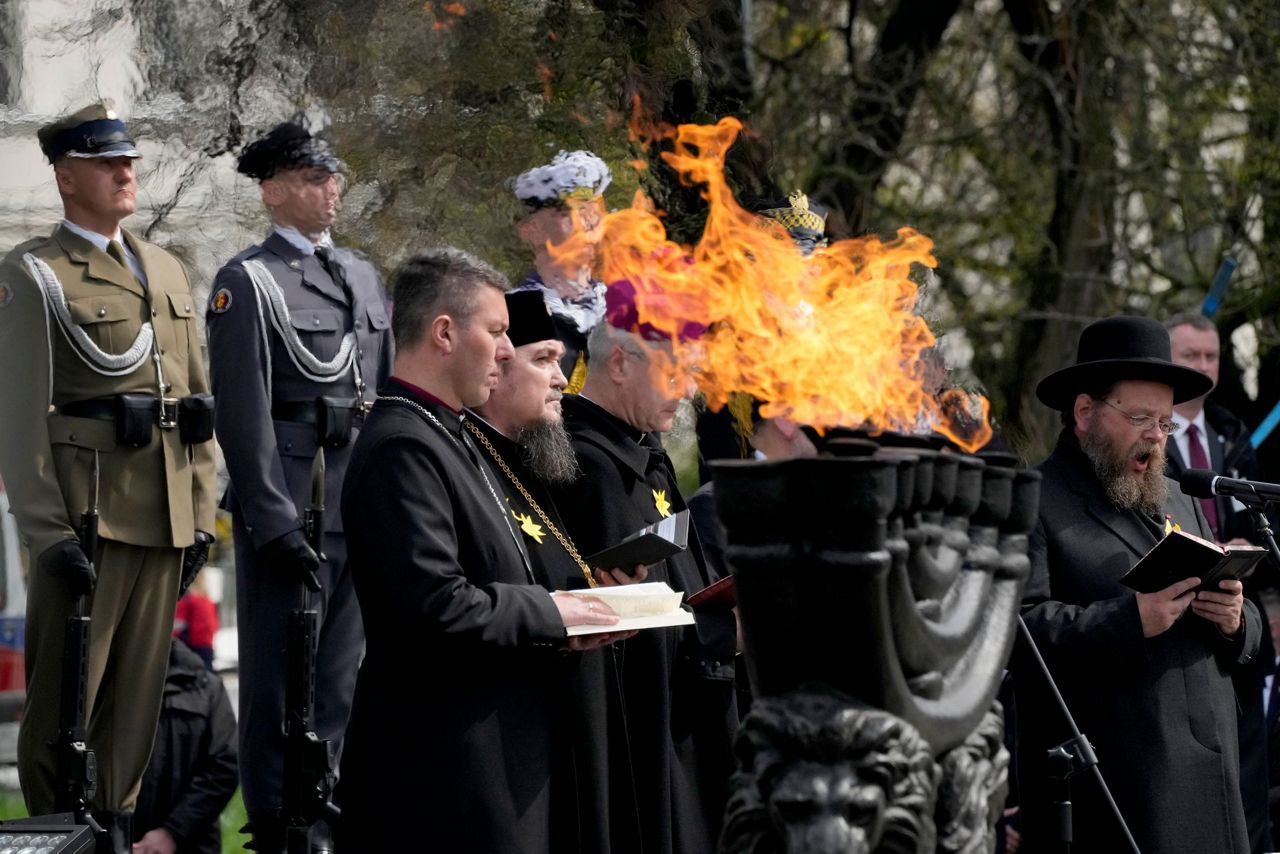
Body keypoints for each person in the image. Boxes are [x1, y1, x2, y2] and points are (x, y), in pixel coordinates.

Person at [337, 247, 622, 852]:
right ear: (444, 333)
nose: (503, 350)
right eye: (495, 332)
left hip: (497, 756)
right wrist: (557, 613)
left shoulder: (450, 433)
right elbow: (437, 605)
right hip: (446, 771)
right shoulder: (402, 445)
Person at [0, 102, 217, 851]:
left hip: (163, 517)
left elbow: (194, 406)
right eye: (106, 162)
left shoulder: (165, 266)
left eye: (129, 160)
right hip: (90, 519)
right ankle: (56, 835)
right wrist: (47, 531)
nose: (127, 172)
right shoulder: (35, 273)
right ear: (66, 177)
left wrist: (200, 513)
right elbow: (20, 416)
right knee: (67, 707)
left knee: (135, 706)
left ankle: (116, 830)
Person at [205, 118, 393, 853]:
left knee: (343, 674)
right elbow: (244, 411)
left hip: (352, 501)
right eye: (315, 180)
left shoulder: (362, 275)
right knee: (282, 679)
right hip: (292, 504)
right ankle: (282, 824)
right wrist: (272, 520)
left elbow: (376, 395)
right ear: (274, 191)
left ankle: (332, 807)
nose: (332, 191)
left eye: (334, 178)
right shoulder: (246, 282)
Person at [1016, 314, 1262, 853]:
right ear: (1085, 412)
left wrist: (1237, 620)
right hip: (1122, 792)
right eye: (1141, 419)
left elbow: (1244, 625)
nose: (1156, 437)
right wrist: (1132, 620)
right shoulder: (1034, 499)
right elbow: (1022, 633)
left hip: (1215, 784)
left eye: (1167, 423)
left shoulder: (1179, 497)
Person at [551, 281, 738, 854]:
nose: (685, 391)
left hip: (681, 714)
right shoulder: (591, 464)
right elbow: (621, 619)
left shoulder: (642, 450)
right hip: (638, 736)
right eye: (673, 372)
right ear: (619, 363)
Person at [469, 289, 643, 852]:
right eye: (543, 360)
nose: (561, 379)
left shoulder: (538, 460)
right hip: (504, 749)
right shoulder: (469, 462)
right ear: (499, 365)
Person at [1163, 310, 1276, 853]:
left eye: (1211, 356)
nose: (1204, 368)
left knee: (1249, 772)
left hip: (1240, 623)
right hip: (1177, 625)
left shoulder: (1232, 437)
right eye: (1190, 357)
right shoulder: (1152, 438)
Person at [512, 149, 612, 392]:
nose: (585, 224)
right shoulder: (518, 314)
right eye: (568, 213)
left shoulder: (617, 310)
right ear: (532, 230)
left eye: (590, 211)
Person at [131, 639, 238, 854]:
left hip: (191, 843)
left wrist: (173, 831)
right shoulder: (111, 687)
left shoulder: (207, 687)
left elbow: (226, 765)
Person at [172, 572, 217, 671]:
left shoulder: (187, 599)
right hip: (206, 645)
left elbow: (178, 624)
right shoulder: (207, 599)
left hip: (190, 646)